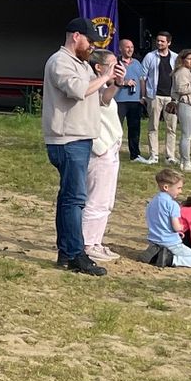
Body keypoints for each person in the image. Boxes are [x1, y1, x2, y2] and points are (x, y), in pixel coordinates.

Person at [42, 15, 118, 276]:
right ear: (76, 37)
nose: (93, 47)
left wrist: (113, 82)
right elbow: (77, 91)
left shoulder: (82, 64)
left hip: (81, 138)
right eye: (90, 41)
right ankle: (76, 254)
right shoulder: (61, 62)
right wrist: (104, 75)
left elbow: (98, 98)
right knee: (75, 199)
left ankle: (66, 251)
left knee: (69, 199)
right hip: (68, 140)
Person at [82, 48, 124, 264]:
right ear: (99, 67)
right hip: (101, 149)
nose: (117, 67)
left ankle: (95, 241)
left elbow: (107, 96)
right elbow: (103, 99)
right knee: (96, 199)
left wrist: (115, 82)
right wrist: (112, 81)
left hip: (111, 148)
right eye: (112, 64)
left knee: (106, 200)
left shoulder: (103, 85)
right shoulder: (93, 85)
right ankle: (88, 244)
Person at [142, 168, 191, 268]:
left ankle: (156, 253)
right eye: (179, 188)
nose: (181, 191)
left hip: (154, 239)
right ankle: (170, 259)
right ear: (166, 187)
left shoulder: (152, 202)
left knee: (168, 248)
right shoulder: (173, 204)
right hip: (170, 241)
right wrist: (181, 227)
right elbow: (176, 227)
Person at [137, 32, 176, 166]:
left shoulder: (175, 58)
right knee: (153, 126)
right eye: (158, 41)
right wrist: (143, 95)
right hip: (154, 96)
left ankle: (170, 156)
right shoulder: (150, 56)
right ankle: (154, 155)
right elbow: (143, 77)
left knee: (171, 128)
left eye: (162, 41)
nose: (159, 43)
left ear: (169, 43)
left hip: (170, 97)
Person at [171, 49, 191, 171]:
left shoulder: (189, 71)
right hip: (187, 104)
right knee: (187, 135)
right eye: (189, 59)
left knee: (187, 135)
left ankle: (183, 161)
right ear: (183, 60)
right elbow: (182, 89)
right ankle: (186, 162)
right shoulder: (182, 72)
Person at [114, 39, 145, 162]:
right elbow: (110, 80)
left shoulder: (137, 63)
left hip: (135, 101)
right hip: (119, 100)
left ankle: (135, 155)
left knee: (134, 128)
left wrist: (142, 96)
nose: (130, 49)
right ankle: (113, 152)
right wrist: (125, 82)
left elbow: (142, 80)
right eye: (127, 47)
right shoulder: (116, 62)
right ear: (120, 48)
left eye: (131, 47)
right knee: (116, 128)